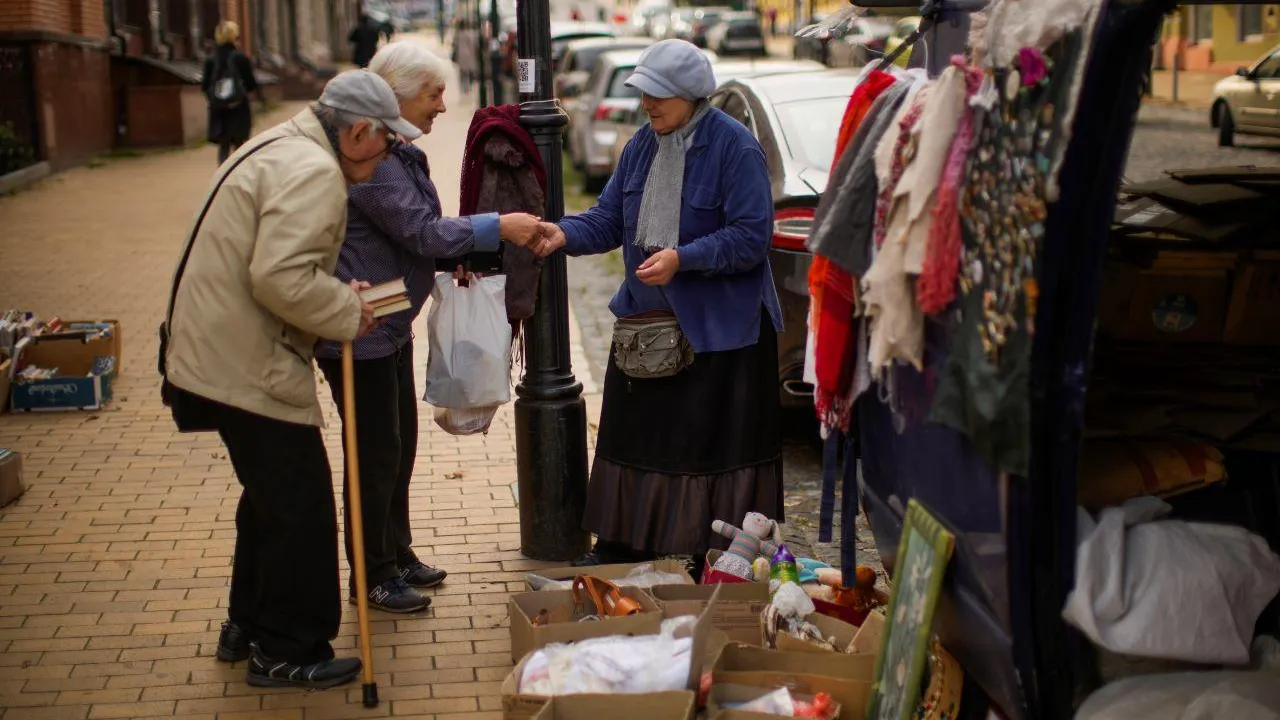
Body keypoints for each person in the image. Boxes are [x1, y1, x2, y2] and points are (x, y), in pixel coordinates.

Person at [163, 69, 423, 688]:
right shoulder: (313, 171)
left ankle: (246, 624)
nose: (392, 153)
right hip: (241, 362)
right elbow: (279, 278)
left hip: (212, 352)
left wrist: (332, 292)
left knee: (271, 501)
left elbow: (282, 266)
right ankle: (286, 650)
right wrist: (345, 311)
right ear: (358, 131)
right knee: (301, 508)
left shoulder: (281, 145)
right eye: (388, 140)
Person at [533, 40, 785, 580]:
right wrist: (562, 233)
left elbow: (751, 238)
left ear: (692, 97)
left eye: (659, 95)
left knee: (713, 446)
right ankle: (625, 542)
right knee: (637, 434)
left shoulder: (734, 149)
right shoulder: (640, 147)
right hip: (648, 325)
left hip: (722, 331)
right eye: (644, 92)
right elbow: (607, 219)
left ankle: (712, 552)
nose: (647, 104)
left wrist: (683, 258)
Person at [313, 41, 544, 613]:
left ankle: (396, 551)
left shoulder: (397, 149)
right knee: (373, 453)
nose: (443, 105)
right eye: (433, 94)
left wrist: (450, 253)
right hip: (360, 329)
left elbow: (419, 238)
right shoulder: (376, 161)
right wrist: (497, 227)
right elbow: (421, 232)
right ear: (394, 97)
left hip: (388, 323)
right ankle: (373, 575)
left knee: (398, 445)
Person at [202, 21, 263, 165]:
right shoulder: (241, 58)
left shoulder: (211, 60)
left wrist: (218, 100)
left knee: (223, 145)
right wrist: (238, 96)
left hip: (219, 109)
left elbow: (205, 86)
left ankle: (222, 176)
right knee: (240, 146)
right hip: (239, 108)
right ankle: (239, 176)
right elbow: (251, 84)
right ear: (234, 37)